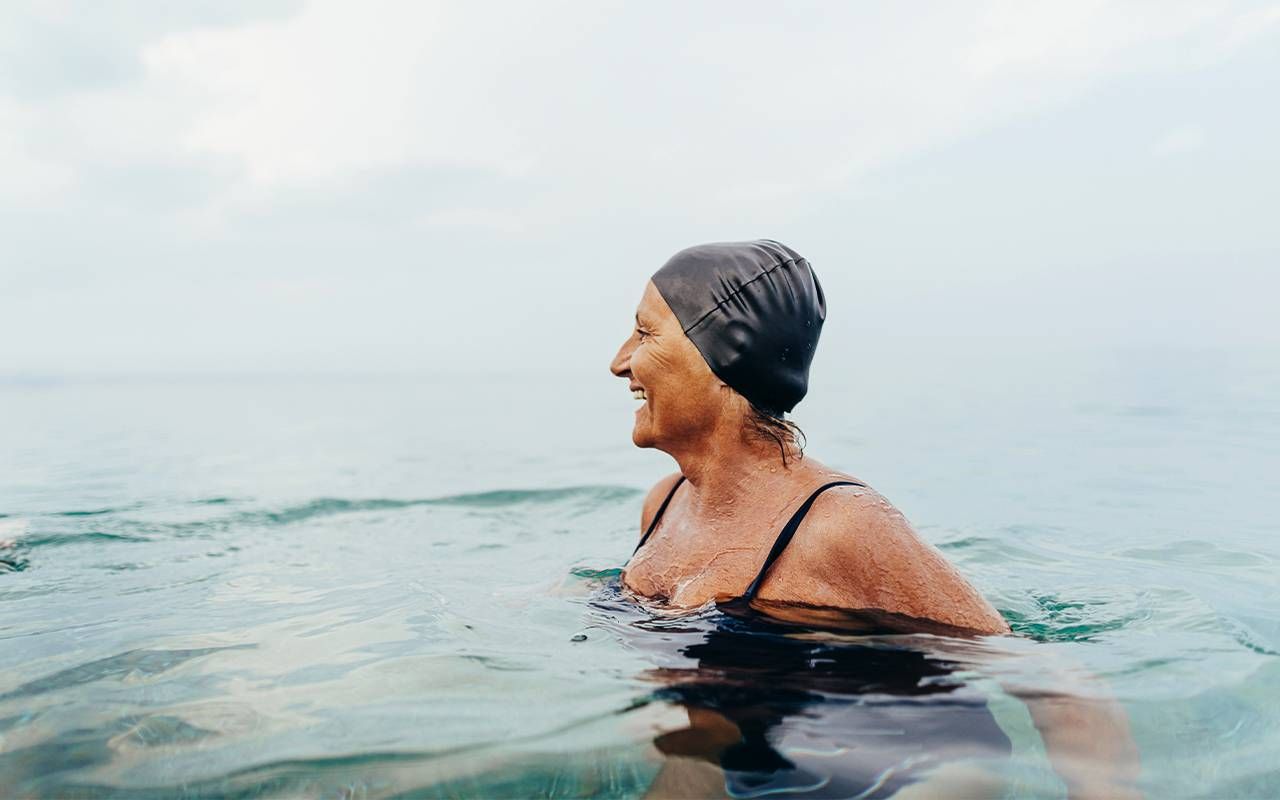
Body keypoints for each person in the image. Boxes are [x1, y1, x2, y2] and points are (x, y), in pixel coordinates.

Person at [607, 239, 1142, 799]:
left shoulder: (838, 526)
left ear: (724, 355)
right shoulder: (665, 503)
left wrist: (1108, 792)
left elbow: (1047, 678)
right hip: (751, 751)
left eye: (645, 334)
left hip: (909, 769)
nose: (621, 360)